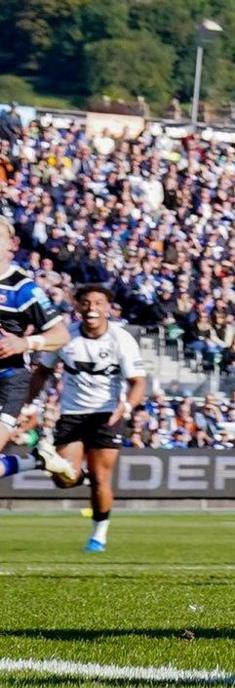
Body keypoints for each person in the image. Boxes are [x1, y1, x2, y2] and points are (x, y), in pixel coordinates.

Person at [24, 286, 144, 553]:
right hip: (72, 415)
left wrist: (126, 406)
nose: (92, 308)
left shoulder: (121, 339)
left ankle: (98, 537)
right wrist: (28, 404)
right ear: (77, 306)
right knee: (62, 478)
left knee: (102, 479)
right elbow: (41, 372)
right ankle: (81, 476)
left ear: (107, 307)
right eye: (86, 303)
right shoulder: (66, 337)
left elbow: (138, 382)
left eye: (99, 303)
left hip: (107, 415)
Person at [0, 220, 72, 486]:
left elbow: (61, 335)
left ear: (11, 244)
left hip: (8, 382)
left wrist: (25, 343)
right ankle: (37, 460)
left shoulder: (23, 288)